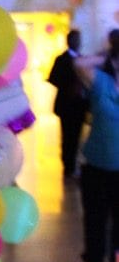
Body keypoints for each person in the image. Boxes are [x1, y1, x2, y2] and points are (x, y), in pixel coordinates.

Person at [69, 30, 119, 262]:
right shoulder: (101, 82)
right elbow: (78, 63)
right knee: (94, 219)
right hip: (96, 165)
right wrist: (107, 56)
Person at [47, 28, 87, 178]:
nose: (77, 42)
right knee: (67, 136)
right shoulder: (61, 59)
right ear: (69, 41)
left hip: (80, 105)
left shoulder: (83, 59)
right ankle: (68, 166)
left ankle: (73, 164)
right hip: (66, 105)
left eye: (78, 40)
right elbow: (52, 79)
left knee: (77, 137)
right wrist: (68, 86)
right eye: (75, 39)